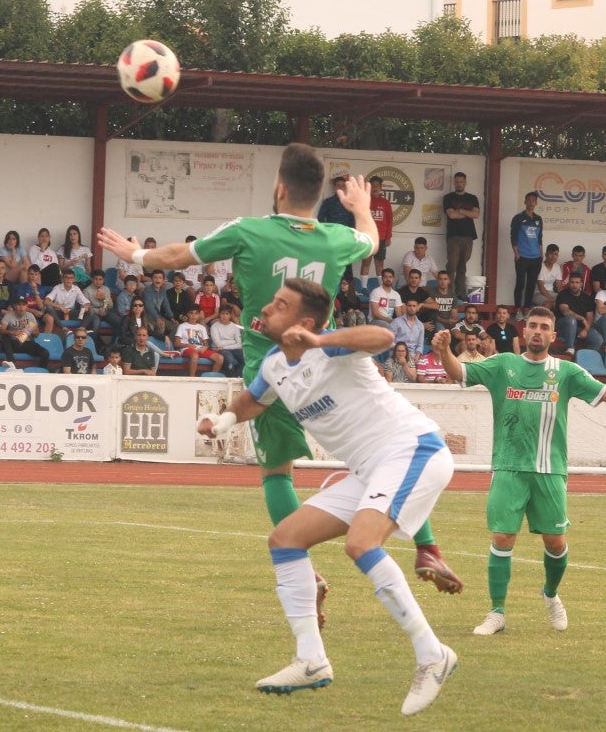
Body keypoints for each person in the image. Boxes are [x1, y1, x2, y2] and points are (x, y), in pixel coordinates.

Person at [99, 143, 461, 596]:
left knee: (277, 472)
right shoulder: (335, 237)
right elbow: (371, 239)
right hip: (330, 359)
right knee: (382, 455)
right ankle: (427, 546)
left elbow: (178, 257)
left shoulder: (249, 231)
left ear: (280, 187)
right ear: (316, 194)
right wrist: (361, 207)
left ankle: (304, 568)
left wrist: (134, 255)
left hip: (273, 367)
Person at [198, 279, 457, 715]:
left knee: (361, 543)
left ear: (304, 321)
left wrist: (318, 339)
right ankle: (311, 660)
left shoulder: (331, 346)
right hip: (369, 468)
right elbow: (252, 402)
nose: (266, 306)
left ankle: (433, 655)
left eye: (280, 304)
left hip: (412, 449)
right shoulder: (274, 364)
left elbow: (383, 336)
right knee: (285, 540)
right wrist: (222, 422)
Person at [434, 306, 606, 637]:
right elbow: (459, 374)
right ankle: (496, 612)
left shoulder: (567, 372)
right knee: (502, 537)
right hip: (509, 466)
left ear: (553, 336)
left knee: (555, 543)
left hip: (550, 470)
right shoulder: (503, 365)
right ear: (523, 333)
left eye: (544, 327)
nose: (537, 331)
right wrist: (443, 352)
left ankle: (551, 594)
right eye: (532, 326)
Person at [443, 171, 480, 300]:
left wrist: (461, 211)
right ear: (454, 182)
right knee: (452, 265)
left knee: (462, 265)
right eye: (457, 182)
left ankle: (460, 293)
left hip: (468, 236)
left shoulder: (472, 198)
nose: (459, 184)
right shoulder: (448, 198)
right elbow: (451, 215)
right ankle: (449, 291)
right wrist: (468, 213)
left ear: (465, 182)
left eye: (461, 182)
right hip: (454, 236)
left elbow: (476, 214)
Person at [359, 174, 393, 289]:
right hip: (367, 237)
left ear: (380, 188)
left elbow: (389, 221)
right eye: (372, 186)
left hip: (381, 238)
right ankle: (363, 288)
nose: (375, 188)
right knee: (366, 262)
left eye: (377, 186)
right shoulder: (364, 201)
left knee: (379, 264)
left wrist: (388, 237)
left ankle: (381, 288)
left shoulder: (386, 203)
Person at [510, 191, 542, 309]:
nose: (531, 203)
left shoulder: (539, 219)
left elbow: (539, 238)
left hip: (536, 258)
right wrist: (516, 253)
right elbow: (513, 237)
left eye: (533, 201)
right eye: (528, 200)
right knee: (520, 284)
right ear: (525, 202)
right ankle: (518, 309)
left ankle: (527, 309)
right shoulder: (518, 218)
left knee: (531, 285)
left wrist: (541, 254)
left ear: (536, 203)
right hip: (522, 257)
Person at [0, 298, 51, 368]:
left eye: (23, 305)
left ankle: (40, 371)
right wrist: (12, 332)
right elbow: (1, 330)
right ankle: (11, 363)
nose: (21, 308)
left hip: (26, 343)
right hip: (13, 343)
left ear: (26, 306)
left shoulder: (30, 316)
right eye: (19, 305)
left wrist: (28, 327)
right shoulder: (9, 315)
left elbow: (37, 334)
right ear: (15, 306)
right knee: (5, 338)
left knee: (45, 353)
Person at [175, 305, 224, 376]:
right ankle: (192, 378)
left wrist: (205, 347)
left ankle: (212, 378)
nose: (193, 316)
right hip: (187, 349)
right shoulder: (182, 326)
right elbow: (176, 343)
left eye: (196, 313)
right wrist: (189, 345)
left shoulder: (202, 327)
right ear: (188, 314)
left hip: (200, 349)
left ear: (199, 315)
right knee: (195, 355)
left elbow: (206, 344)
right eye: (191, 313)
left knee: (220, 358)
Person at [45, 269, 94, 335]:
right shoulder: (57, 288)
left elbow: (86, 302)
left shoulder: (76, 289)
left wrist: (86, 306)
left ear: (74, 280)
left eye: (71, 278)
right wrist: (60, 307)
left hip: (70, 313)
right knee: (48, 307)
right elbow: (46, 301)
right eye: (66, 278)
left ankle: (81, 329)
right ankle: (63, 328)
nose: (68, 280)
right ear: (62, 279)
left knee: (90, 310)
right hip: (58, 313)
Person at [210, 306, 244, 376]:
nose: (224, 316)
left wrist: (225, 346)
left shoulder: (235, 327)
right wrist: (233, 341)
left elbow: (240, 344)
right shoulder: (214, 326)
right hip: (218, 349)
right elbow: (218, 344)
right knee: (229, 358)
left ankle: (235, 377)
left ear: (230, 315)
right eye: (222, 314)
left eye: (227, 314)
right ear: (219, 315)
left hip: (230, 348)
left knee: (246, 358)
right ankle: (230, 377)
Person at [534, 244, 561, 311]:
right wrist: (552, 300)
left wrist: (562, 297)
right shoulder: (539, 266)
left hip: (551, 293)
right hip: (538, 293)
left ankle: (560, 321)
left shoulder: (557, 267)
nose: (553, 256)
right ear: (546, 254)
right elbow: (541, 288)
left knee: (565, 302)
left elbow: (559, 286)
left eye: (555, 254)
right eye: (551, 254)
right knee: (548, 304)